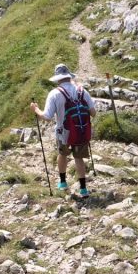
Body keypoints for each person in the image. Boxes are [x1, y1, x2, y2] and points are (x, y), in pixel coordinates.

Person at [31, 64, 97, 198]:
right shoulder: (82, 91)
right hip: (81, 131)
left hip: (63, 133)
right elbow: (93, 113)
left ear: (57, 78)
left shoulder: (54, 94)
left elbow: (47, 117)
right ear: (69, 76)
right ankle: (83, 189)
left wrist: (36, 110)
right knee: (79, 158)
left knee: (62, 155)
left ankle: (62, 183)